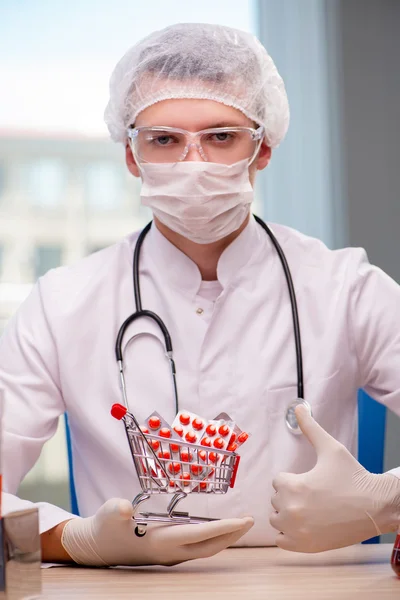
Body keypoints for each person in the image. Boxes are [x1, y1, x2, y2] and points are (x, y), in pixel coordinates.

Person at [1, 22, 399, 568]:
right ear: (131, 155)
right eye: (164, 139)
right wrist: (74, 539)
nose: (194, 164)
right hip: (125, 589)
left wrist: (388, 504)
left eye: (220, 136)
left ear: (264, 147)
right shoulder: (62, 304)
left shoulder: (346, 289)